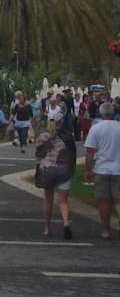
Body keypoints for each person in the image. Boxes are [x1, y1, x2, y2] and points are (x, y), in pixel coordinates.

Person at [35, 110, 76, 239]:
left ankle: (47, 228)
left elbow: (38, 156)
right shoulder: (68, 137)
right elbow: (73, 155)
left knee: (48, 199)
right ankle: (65, 224)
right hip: (64, 169)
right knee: (63, 201)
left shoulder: (43, 137)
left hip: (48, 170)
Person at [83, 102, 120, 239]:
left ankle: (106, 230)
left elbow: (90, 151)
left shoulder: (96, 128)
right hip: (118, 169)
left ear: (101, 113)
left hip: (102, 168)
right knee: (118, 200)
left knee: (103, 201)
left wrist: (88, 169)